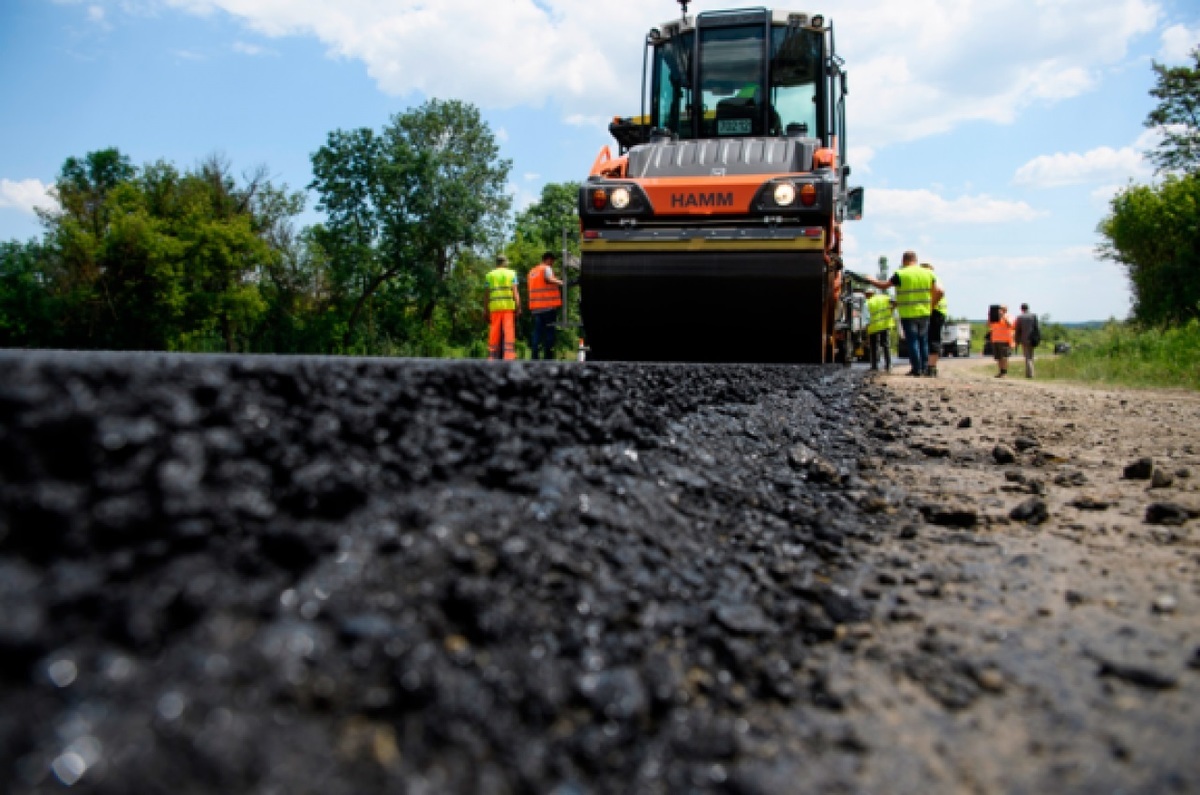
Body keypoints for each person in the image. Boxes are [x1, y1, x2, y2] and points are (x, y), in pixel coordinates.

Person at [864, 251, 944, 377]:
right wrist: (931, 305)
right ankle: (925, 368)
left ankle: (916, 369)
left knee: (913, 341)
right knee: (923, 340)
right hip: (924, 312)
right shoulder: (928, 273)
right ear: (915, 260)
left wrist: (870, 280)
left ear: (904, 260)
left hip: (908, 313)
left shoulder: (900, 273)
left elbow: (884, 286)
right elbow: (938, 291)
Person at [527, 251, 564, 360]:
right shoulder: (546, 268)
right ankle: (548, 356)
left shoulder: (532, 271)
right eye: (552, 261)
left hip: (536, 308)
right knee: (549, 331)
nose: (552, 263)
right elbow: (549, 279)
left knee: (537, 332)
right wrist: (562, 283)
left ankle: (535, 355)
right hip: (548, 307)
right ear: (548, 259)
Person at [485, 255, 520, 360]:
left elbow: (486, 294)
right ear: (505, 262)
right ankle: (508, 356)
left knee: (494, 331)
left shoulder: (490, 275)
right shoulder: (512, 274)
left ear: (496, 263)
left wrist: (485, 309)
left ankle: (492, 356)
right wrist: (519, 307)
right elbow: (515, 292)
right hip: (508, 308)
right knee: (508, 332)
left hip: (495, 308)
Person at [922, 263, 947, 378]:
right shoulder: (934, 278)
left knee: (933, 339)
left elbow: (940, 292)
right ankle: (930, 367)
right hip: (938, 311)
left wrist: (930, 307)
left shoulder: (932, 278)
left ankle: (931, 368)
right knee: (932, 338)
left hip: (935, 312)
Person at [864, 287, 896, 372]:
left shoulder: (867, 303)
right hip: (885, 324)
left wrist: (867, 332)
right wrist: (891, 310)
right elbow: (895, 302)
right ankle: (888, 365)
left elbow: (866, 319)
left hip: (874, 327)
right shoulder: (884, 297)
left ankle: (874, 366)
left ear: (867, 294)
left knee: (874, 347)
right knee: (886, 345)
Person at [1013, 303, 1040, 378]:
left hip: (1024, 339)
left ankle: (1030, 374)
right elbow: (1037, 328)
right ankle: (1029, 373)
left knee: (1027, 357)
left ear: (1021, 309)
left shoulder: (1020, 317)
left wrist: (1016, 340)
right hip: (1032, 339)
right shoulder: (1033, 316)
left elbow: (1017, 330)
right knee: (1031, 356)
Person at [989, 304, 1015, 377]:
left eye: (1001, 309)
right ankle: (1000, 371)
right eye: (999, 309)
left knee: (1004, 357)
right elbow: (989, 325)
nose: (1000, 310)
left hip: (1005, 340)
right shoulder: (995, 318)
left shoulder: (1009, 316)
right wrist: (990, 316)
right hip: (995, 339)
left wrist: (1003, 316)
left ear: (1005, 309)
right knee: (998, 357)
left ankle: (1004, 372)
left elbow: (1010, 325)